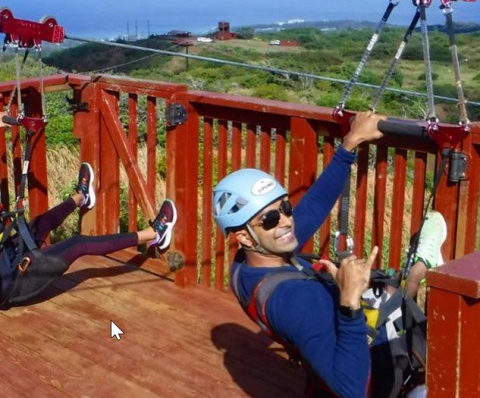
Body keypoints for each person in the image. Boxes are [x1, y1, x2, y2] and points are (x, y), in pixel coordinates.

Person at [212, 111, 446, 398]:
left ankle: (417, 272)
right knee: (426, 334)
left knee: (384, 290)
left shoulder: (247, 265)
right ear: (244, 236)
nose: (286, 220)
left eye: (285, 208)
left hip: (326, 358)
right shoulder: (295, 299)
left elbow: (313, 207)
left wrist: (348, 146)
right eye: (271, 219)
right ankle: (421, 268)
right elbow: (351, 390)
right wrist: (348, 302)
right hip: (370, 377)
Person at [0, 161, 177, 308]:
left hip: (8, 254)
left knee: (40, 223)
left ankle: (81, 197)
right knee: (78, 244)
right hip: (16, 280)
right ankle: (154, 234)